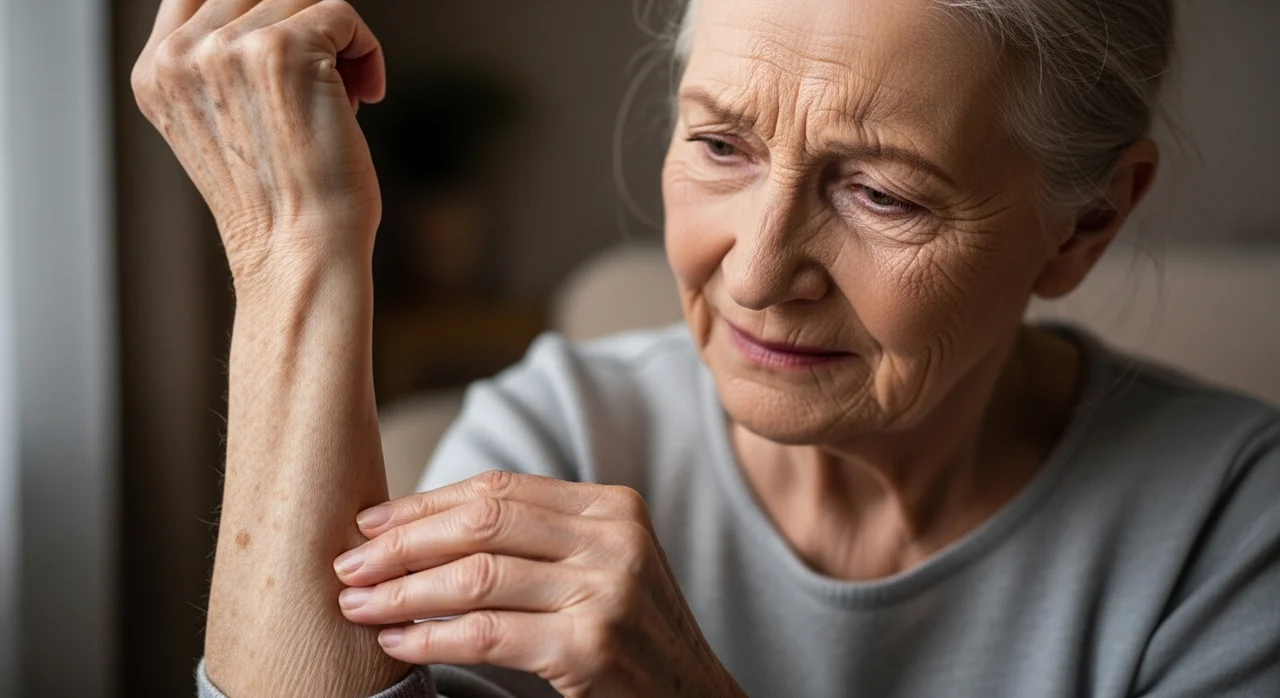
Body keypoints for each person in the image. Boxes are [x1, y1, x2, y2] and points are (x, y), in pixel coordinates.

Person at [130, 0, 1280, 696]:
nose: (755, 270)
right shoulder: (563, 430)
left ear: (1086, 223)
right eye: (721, 145)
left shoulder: (1227, 526)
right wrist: (296, 251)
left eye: (880, 193)